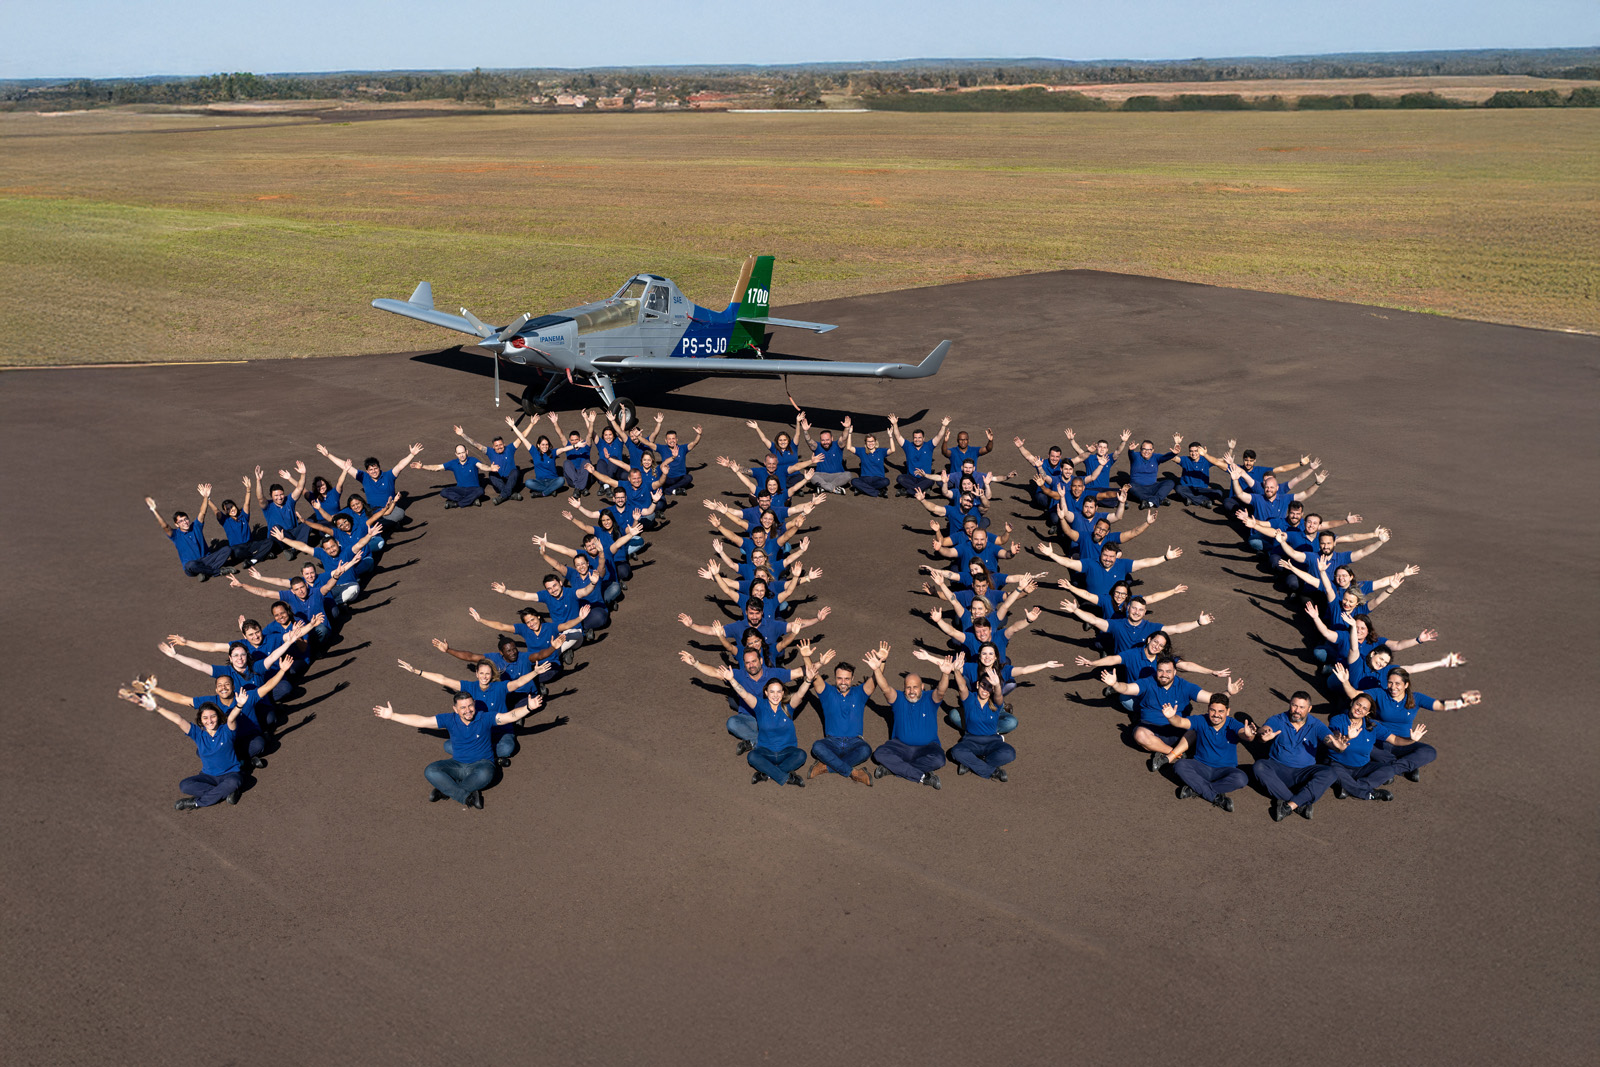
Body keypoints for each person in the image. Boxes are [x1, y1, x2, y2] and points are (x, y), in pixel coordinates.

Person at [372, 691, 546, 809]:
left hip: (482, 765)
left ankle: (445, 789)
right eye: (463, 707)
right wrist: (393, 716)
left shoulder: (485, 718)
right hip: (457, 764)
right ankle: (465, 796)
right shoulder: (449, 719)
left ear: (474, 705)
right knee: (430, 770)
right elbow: (422, 721)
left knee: (486, 774)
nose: (468, 710)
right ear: (455, 709)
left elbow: (509, 717)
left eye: (470, 706)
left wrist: (528, 707)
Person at [1331, 663, 1481, 783]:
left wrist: (1462, 702)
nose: (1393, 687)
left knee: (1429, 752)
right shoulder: (1379, 693)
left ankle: (1393, 769)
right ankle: (1406, 766)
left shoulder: (1416, 698)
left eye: (1397, 683)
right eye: (1390, 683)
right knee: (1365, 749)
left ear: (1406, 685)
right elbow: (1355, 695)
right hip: (1380, 742)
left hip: (1404, 742)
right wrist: (1345, 681)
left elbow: (1439, 705)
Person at [395, 656, 550, 767]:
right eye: (481, 673)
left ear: (492, 675)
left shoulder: (500, 687)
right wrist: (417, 671)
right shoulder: (469, 687)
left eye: (487, 673)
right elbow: (443, 680)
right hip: (478, 733)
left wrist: (535, 672)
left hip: (500, 731)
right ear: (476, 674)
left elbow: (518, 682)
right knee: (448, 746)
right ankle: (491, 758)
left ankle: (483, 757)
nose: (484, 677)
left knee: (507, 748)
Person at [1101, 658, 1245, 771]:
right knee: (1139, 735)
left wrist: (1228, 693)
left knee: (1197, 726)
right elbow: (1127, 688)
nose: (1164, 674)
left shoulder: (1185, 686)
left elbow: (1211, 699)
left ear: (1175, 672)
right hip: (1152, 729)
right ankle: (1176, 753)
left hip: (1178, 729)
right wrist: (1115, 684)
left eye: (1168, 671)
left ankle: (1165, 753)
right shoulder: (1147, 682)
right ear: (1156, 671)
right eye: (1161, 671)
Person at [118, 688, 246, 809]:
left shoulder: (227, 731)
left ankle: (196, 803)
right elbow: (178, 720)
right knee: (185, 785)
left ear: (218, 716)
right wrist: (156, 707)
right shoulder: (198, 734)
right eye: (205, 718)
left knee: (233, 783)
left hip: (230, 775)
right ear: (200, 720)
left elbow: (231, 718)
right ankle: (225, 792)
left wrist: (239, 705)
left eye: (213, 716)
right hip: (208, 776)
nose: (210, 720)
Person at [864, 645, 952, 789]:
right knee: (879, 754)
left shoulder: (930, 698)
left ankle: (893, 769)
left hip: (927, 747)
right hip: (900, 747)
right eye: (908, 687)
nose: (911, 691)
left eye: (915, 687)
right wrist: (876, 669)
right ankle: (922, 777)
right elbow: (885, 688)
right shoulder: (898, 698)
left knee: (939, 760)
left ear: (922, 687)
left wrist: (945, 674)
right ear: (904, 688)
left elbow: (941, 691)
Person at [725, 664, 820, 786]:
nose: (775, 695)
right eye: (772, 691)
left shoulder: (788, 706)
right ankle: (786, 777)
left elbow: (800, 694)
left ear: (783, 693)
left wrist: (808, 680)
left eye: (778, 691)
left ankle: (766, 774)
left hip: (787, 752)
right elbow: (744, 694)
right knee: (752, 756)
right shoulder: (760, 706)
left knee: (801, 755)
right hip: (766, 752)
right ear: (766, 693)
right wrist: (732, 680)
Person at [1159, 693, 1256, 810]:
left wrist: (1249, 734)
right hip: (1201, 766)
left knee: (1241, 779)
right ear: (1208, 709)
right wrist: (1171, 717)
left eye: (1221, 711)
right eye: (1213, 710)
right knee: (1180, 765)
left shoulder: (1233, 724)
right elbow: (1180, 722)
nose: (1216, 715)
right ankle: (1215, 797)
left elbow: (1244, 734)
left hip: (1224, 770)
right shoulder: (1201, 720)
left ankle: (1196, 789)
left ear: (1227, 711)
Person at [1254, 692, 1342, 821]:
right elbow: (1264, 729)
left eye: (1301, 707)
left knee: (1330, 773)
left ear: (1309, 709)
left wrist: (1339, 746)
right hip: (1279, 770)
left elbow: (1331, 741)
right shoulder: (1278, 719)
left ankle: (1288, 805)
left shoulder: (1316, 725)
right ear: (1290, 704)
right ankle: (1299, 804)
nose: (1297, 710)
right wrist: (1263, 735)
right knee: (1259, 766)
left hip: (1303, 774)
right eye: (1294, 705)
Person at [1323, 692, 1415, 802]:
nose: (1359, 709)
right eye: (1358, 704)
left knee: (1389, 770)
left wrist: (1412, 740)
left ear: (1367, 713)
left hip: (1362, 767)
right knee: (1333, 772)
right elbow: (1335, 736)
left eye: (1364, 708)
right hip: (1339, 765)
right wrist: (1348, 737)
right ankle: (1369, 794)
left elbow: (1395, 739)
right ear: (1352, 703)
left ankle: (1351, 787)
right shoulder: (1338, 719)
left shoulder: (1373, 725)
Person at [805, 654, 879, 785]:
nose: (843, 682)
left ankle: (826, 767)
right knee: (817, 747)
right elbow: (813, 674)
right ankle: (854, 773)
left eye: (847, 679)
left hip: (855, 741)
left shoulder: (860, 693)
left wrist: (881, 662)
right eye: (839, 678)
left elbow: (876, 679)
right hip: (832, 741)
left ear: (852, 678)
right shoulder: (827, 692)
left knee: (865, 750)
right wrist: (806, 656)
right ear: (835, 678)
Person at [317, 442, 424, 527]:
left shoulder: (388, 476)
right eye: (371, 470)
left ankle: (379, 524)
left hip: (389, 510)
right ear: (367, 471)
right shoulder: (364, 477)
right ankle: (382, 524)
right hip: (372, 510)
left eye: (375, 468)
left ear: (379, 468)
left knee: (400, 514)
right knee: (354, 513)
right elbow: (346, 466)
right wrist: (328, 455)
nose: (374, 471)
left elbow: (400, 466)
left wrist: (412, 455)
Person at [947, 656, 1017, 781]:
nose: (985, 689)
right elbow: (962, 686)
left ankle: (972, 763)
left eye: (989, 686)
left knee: (1009, 753)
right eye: (983, 685)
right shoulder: (969, 699)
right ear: (978, 685)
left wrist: (997, 685)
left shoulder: (996, 703)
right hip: (970, 741)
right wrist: (956, 671)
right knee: (956, 751)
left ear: (992, 689)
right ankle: (992, 771)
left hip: (992, 742)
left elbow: (999, 695)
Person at [145, 488, 236, 581]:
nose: (185, 522)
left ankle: (205, 572)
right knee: (191, 565)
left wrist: (205, 497)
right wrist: (154, 510)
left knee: (227, 549)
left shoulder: (196, 526)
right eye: (181, 521)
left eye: (186, 519)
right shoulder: (175, 535)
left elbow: (202, 512)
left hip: (206, 560)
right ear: (176, 524)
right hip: (192, 565)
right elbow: (165, 526)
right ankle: (217, 571)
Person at [202, 475, 273, 566]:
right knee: (238, 552)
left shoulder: (244, 516)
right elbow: (216, 511)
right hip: (237, 548)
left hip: (250, 545)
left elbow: (247, 503)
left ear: (235, 506)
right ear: (226, 512)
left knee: (269, 542)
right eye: (227, 509)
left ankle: (253, 559)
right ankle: (260, 555)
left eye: (232, 507)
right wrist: (207, 499)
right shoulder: (225, 521)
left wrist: (248, 489)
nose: (231, 510)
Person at [455, 420, 524, 503]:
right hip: (500, 483)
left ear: (504, 444)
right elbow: (475, 444)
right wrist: (462, 434)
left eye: (501, 445)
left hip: (511, 482)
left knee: (515, 472)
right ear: (493, 447)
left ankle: (502, 496)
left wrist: (531, 424)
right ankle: (510, 494)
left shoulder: (510, 449)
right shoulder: (490, 451)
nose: (499, 447)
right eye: (496, 445)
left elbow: (522, 437)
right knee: (491, 474)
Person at [255, 464, 313, 560]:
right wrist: (258, 481)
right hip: (278, 538)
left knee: (309, 522)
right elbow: (260, 497)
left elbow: (299, 488)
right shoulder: (268, 506)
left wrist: (303, 474)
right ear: (271, 495)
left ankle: (295, 549)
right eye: (276, 495)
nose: (279, 497)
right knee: (276, 528)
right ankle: (294, 547)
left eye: (281, 494)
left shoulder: (289, 500)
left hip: (292, 534)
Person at [1063, 428, 1130, 506]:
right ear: (1097, 448)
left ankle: (1113, 500)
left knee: (1117, 491)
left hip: (1105, 489)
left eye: (1104, 447)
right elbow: (1079, 451)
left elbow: (1118, 452)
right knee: (1094, 498)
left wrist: (1123, 441)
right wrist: (1072, 440)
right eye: (1100, 447)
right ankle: (1114, 501)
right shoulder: (1089, 458)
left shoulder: (1109, 459)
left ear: (1107, 450)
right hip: (1091, 489)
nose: (1102, 449)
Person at [412, 443, 492, 509]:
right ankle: (471, 501)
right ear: (456, 454)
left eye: (463, 453)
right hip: (460, 489)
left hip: (473, 489)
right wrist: (423, 466)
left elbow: (482, 466)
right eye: (459, 453)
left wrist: (490, 468)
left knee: (480, 491)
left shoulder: (473, 460)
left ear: (467, 452)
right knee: (444, 492)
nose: (461, 455)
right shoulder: (453, 463)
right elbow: (437, 467)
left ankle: (456, 504)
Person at [889, 414, 948, 497]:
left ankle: (908, 491)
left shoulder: (929, 446)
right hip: (911, 478)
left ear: (923, 438)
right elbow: (898, 436)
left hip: (925, 477)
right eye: (915, 438)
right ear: (913, 438)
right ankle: (921, 489)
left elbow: (939, 436)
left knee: (930, 480)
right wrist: (895, 424)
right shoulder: (908, 446)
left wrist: (943, 426)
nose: (917, 440)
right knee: (900, 478)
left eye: (919, 437)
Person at [1123, 435, 1182, 510]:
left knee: (1170, 483)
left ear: (1153, 450)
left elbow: (1165, 457)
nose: (1146, 451)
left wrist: (1174, 454)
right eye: (1144, 449)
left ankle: (1150, 502)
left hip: (1153, 487)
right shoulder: (1136, 456)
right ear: (1140, 449)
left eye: (1149, 449)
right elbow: (1131, 454)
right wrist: (1131, 450)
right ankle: (1158, 500)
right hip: (1138, 488)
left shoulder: (1156, 457)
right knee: (1131, 487)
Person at [798, 412, 852, 494]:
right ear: (820, 440)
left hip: (837, 475)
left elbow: (844, 438)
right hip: (822, 475)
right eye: (823, 440)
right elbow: (809, 441)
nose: (825, 442)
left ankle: (824, 487)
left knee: (848, 475)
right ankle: (833, 488)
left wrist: (847, 428)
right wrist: (805, 431)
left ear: (832, 438)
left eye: (827, 440)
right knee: (812, 475)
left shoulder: (838, 445)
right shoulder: (817, 447)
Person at [1171, 439, 1233, 507]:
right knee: (1178, 488)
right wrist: (1176, 445)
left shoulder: (1206, 460)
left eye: (1196, 451)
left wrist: (1231, 449)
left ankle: (1190, 499)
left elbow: (1225, 460)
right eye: (1191, 451)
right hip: (1188, 488)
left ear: (1200, 451)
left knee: (1218, 493)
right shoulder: (1185, 460)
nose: (1193, 453)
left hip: (1202, 489)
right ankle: (1203, 501)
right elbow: (1174, 458)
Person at [552, 410, 599, 495]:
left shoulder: (585, 445)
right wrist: (555, 423)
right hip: (573, 479)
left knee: (586, 462)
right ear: (569, 440)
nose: (574, 442)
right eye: (572, 440)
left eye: (576, 440)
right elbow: (560, 434)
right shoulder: (568, 446)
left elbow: (590, 433)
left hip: (586, 477)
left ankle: (578, 488)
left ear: (580, 439)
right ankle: (582, 488)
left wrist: (590, 422)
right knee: (566, 463)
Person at [654, 423, 703, 495]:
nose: (671, 441)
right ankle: (672, 489)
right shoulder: (662, 448)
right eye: (669, 439)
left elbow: (694, 443)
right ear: (666, 440)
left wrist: (699, 434)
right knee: (658, 472)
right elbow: (649, 443)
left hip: (679, 478)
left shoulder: (683, 448)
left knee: (689, 478)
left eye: (673, 438)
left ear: (677, 440)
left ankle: (670, 490)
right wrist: (638, 437)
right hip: (667, 478)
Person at [845, 424, 892, 498]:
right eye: (868, 442)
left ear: (875, 442)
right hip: (865, 479)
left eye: (872, 441)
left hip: (878, 478)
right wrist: (849, 433)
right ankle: (878, 492)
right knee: (854, 481)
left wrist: (890, 436)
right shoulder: (862, 451)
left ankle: (862, 489)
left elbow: (892, 450)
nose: (870, 443)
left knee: (886, 481)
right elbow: (849, 447)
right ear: (865, 443)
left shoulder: (881, 451)